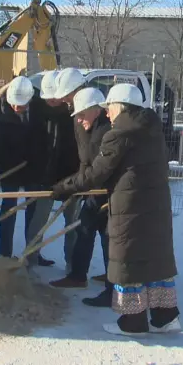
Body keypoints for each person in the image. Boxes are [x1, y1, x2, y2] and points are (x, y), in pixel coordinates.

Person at [51, 83, 180, 336]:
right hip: (156, 206)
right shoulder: (152, 130)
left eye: (109, 108)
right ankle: (166, 318)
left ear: (120, 106)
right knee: (154, 259)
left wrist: (63, 187)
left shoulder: (118, 134)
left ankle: (133, 323)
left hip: (130, 208)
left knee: (128, 261)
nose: (107, 113)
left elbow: (96, 173)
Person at [49, 88, 114, 307]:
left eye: (82, 114)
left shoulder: (104, 132)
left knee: (108, 237)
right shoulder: (87, 128)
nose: (78, 119)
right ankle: (78, 275)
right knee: (85, 229)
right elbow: (85, 164)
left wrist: (67, 186)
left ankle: (113, 287)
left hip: (107, 192)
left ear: (96, 110)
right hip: (93, 189)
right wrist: (74, 183)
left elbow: (98, 171)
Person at [0, 76, 54, 266]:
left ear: (30, 99)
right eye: (14, 105)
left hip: (34, 168)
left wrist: (41, 159)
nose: (17, 108)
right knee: (8, 211)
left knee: (33, 215)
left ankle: (32, 253)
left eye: (21, 105)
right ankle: (4, 256)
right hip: (10, 169)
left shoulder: (41, 109)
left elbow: (47, 136)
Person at [26, 70, 82, 270]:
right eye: (48, 99)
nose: (52, 102)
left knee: (73, 224)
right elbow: (35, 146)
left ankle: (73, 264)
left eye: (55, 98)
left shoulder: (74, 113)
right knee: (38, 221)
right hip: (46, 176)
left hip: (72, 175)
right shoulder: (37, 112)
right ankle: (30, 258)